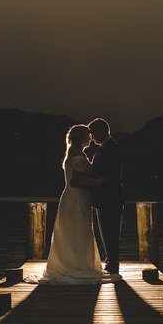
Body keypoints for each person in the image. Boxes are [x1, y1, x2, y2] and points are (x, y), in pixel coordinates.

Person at [32, 124, 118, 284]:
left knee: (74, 230)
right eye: (88, 136)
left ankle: (74, 263)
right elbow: (77, 179)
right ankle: (77, 266)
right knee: (78, 229)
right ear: (82, 138)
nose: (90, 138)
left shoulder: (72, 153)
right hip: (77, 197)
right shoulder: (78, 154)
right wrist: (98, 181)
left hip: (73, 197)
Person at [85, 118, 124, 274]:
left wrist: (95, 182)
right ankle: (110, 260)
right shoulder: (105, 147)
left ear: (102, 131)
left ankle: (113, 263)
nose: (91, 137)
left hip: (110, 197)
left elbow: (108, 174)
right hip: (106, 198)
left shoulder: (111, 148)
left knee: (111, 231)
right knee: (107, 231)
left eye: (93, 133)